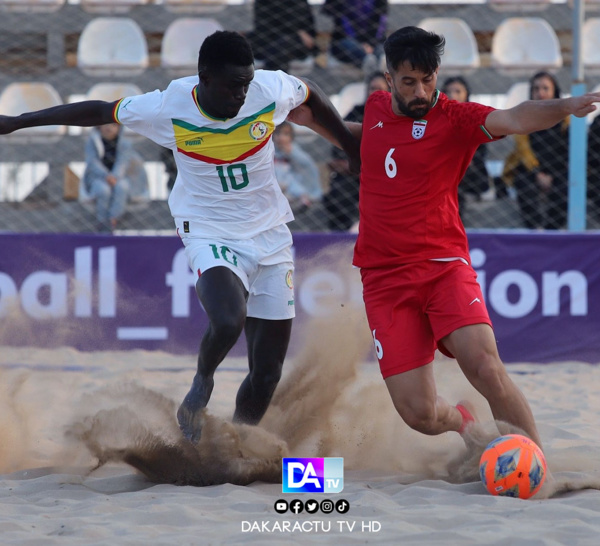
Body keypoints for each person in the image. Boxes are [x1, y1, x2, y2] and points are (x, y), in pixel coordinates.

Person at [0, 31, 360, 443]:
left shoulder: (268, 89)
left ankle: (237, 442)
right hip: (207, 229)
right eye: (232, 86)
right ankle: (201, 382)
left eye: (246, 83)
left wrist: (350, 145)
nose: (242, 94)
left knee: (267, 373)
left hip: (270, 234)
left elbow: (309, 92)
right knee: (228, 319)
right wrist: (17, 122)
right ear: (204, 78)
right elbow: (99, 110)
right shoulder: (167, 105)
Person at [292, 26, 600, 450]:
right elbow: (369, 138)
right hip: (384, 280)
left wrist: (566, 105)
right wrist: (313, 121)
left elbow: (517, 116)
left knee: (486, 367)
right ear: (388, 78)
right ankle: (467, 425)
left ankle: (533, 464)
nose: (421, 91)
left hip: (442, 266)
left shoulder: (456, 118)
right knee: (419, 413)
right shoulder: (378, 107)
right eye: (409, 82)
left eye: (428, 79)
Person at [500, 72, 569, 229]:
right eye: (536, 88)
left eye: (546, 88)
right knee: (524, 185)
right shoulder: (523, 118)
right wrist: (537, 173)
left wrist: (553, 175)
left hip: (560, 169)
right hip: (530, 168)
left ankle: (553, 230)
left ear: (555, 91)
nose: (541, 92)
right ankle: (534, 229)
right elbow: (524, 151)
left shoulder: (566, 119)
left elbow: (569, 151)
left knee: (564, 188)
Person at [323, 71, 389, 230]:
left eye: (381, 88)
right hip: (355, 173)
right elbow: (339, 145)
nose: (376, 92)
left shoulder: (397, 116)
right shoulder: (357, 112)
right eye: (373, 88)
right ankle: (339, 238)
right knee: (339, 193)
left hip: (386, 173)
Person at [83, 122, 149, 231]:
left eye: (113, 125)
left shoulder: (125, 143)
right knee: (103, 190)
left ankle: (114, 219)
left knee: (122, 187)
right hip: (98, 178)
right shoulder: (92, 142)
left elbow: (123, 162)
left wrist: (115, 176)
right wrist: (106, 176)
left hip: (120, 177)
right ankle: (102, 221)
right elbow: (92, 162)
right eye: (105, 124)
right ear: (99, 126)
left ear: (119, 128)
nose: (109, 128)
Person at [441, 76, 492, 216]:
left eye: (458, 91)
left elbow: (481, 152)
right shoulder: (436, 120)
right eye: (449, 91)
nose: (453, 95)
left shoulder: (476, 118)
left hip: (469, 171)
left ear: (467, 94)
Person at [247, 0, 317, 72]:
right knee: (281, 46)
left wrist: (302, 33)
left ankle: (271, 77)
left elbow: (308, 27)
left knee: (284, 44)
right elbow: (265, 26)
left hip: (294, 44)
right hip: (268, 41)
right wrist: (298, 31)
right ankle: (273, 76)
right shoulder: (263, 2)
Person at [321, 0, 388, 73]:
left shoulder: (379, 2)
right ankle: (372, 73)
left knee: (381, 52)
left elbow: (380, 26)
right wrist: (363, 45)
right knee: (354, 48)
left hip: (375, 42)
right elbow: (344, 25)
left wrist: (371, 44)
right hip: (346, 40)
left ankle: (378, 74)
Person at [273, 121, 322, 212]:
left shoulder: (294, 150)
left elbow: (307, 166)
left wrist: (290, 152)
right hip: (277, 179)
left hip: (292, 179)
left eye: (285, 134)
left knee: (292, 180)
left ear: (291, 137)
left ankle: (303, 198)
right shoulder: (271, 150)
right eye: (277, 133)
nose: (281, 137)